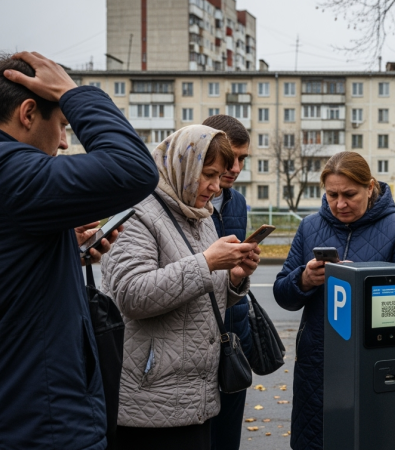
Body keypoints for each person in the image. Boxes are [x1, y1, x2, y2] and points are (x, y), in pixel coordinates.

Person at [0, 52, 159, 449]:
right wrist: (74, 94)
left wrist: (65, 246)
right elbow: (134, 169)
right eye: (62, 125)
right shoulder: (1, 169)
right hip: (26, 426)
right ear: (28, 113)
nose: (64, 141)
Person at [101, 125, 260, 450]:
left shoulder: (197, 215)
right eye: (208, 175)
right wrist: (207, 263)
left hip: (195, 398)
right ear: (181, 165)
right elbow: (132, 295)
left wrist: (233, 278)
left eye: (219, 177)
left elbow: (200, 297)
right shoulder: (137, 214)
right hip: (150, 401)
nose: (216, 188)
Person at [274, 151, 395, 450]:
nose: (340, 204)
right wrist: (303, 280)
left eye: (349, 194)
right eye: (332, 194)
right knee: (315, 440)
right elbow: (282, 293)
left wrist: (364, 280)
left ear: (370, 187)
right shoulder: (309, 227)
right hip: (317, 364)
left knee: (367, 438)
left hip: (371, 362)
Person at [201, 114, 253, 450]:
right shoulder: (185, 199)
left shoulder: (239, 202)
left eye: (243, 159)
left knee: (227, 436)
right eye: (230, 156)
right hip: (197, 336)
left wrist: (241, 271)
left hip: (234, 333)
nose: (235, 167)